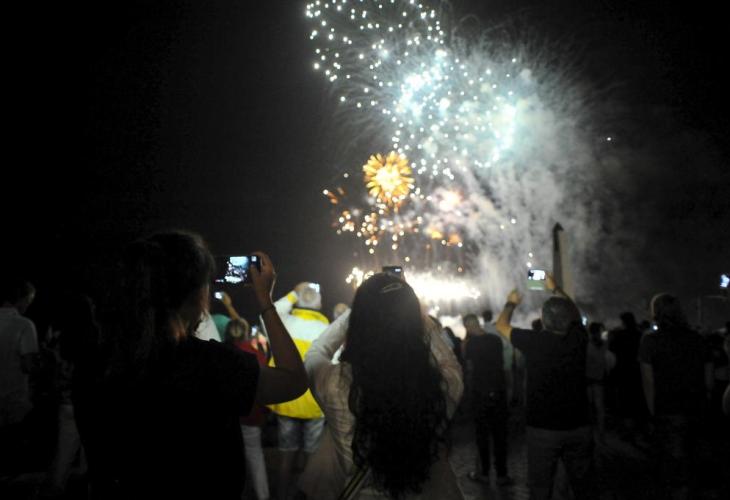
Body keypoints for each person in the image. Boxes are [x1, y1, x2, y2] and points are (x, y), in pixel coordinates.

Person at [73, 231, 307, 499]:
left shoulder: (94, 364)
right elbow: (293, 380)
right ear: (193, 296)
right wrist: (266, 302)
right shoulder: (212, 365)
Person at [298, 273, 464, 499]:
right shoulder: (443, 386)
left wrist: (359, 311)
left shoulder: (336, 384)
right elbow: (447, 360)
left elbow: (316, 353)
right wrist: (412, 312)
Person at [495, 275, 596, 500]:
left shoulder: (533, 341)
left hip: (542, 428)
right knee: (584, 488)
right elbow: (575, 313)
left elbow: (501, 325)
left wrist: (511, 303)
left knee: (540, 489)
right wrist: (555, 288)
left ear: (543, 319)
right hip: (579, 425)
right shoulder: (579, 338)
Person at [638, 293, 713, 500]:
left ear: (655, 313)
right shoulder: (698, 339)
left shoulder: (650, 342)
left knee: (675, 468)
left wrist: (653, 414)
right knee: (695, 462)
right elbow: (709, 381)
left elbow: (648, 383)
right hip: (697, 408)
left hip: (668, 410)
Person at [267, 281, 329, 500]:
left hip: (287, 400)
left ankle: (282, 496)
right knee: (311, 456)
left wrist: (294, 292)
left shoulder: (284, 322)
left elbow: (270, 311)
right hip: (315, 403)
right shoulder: (326, 330)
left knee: (286, 454)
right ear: (319, 304)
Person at [462, 313, 513, 486]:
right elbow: (502, 365)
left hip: (480, 393)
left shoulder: (470, 344)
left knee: (482, 435)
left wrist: (469, 391)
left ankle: (483, 473)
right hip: (498, 391)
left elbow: (470, 369)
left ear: (468, 326)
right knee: (500, 435)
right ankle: (502, 475)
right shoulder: (495, 340)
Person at [225, 318, 270, 500]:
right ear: (245, 333)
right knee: (255, 456)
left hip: (226, 416)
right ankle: (263, 495)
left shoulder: (219, 352)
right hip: (251, 415)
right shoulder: (256, 355)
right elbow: (264, 388)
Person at [0, 279, 39, 475]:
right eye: (29, 300)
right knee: (11, 449)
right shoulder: (24, 325)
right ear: (22, 299)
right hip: (14, 397)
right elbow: (28, 365)